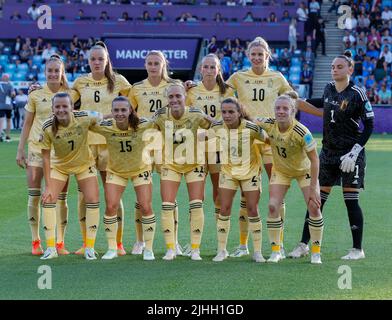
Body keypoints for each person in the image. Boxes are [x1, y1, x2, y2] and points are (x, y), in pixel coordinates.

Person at [288, 51, 374, 260]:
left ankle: (357, 249)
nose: (335, 70)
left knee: (350, 200)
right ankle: (303, 245)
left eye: (339, 67)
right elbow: (322, 102)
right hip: (328, 154)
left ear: (350, 70)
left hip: (350, 156)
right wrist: (297, 100)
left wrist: (355, 152)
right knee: (316, 201)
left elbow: (369, 125)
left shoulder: (357, 93)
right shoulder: (328, 88)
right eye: (333, 67)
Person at [225, 37, 293, 258]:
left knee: (277, 192)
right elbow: (218, 92)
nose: (256, 58)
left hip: (270, 141)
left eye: (260, 54)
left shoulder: (277, 77)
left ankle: (278, 244)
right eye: (252, 54)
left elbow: (292, 97)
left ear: (267, 56)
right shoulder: (238, 77)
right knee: (247, 195)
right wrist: (192, 85)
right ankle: (243, 245)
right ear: (248, 56)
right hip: (246, 141)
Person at [72, 41, 132, 256]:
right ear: (88, 61)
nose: (97, 62)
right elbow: (61, 101)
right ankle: (87, 243)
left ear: (107, 61)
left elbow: (134, 104)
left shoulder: (119, 82)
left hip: (110, 144)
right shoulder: (80, 82)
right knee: (83, 196)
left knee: (112, 195)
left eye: (101, 59)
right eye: (93, 59)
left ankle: (118, 243)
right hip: (86, 145)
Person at [16, 55, 76, 256]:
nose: (52, 74)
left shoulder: (70, 94)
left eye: (56, 71)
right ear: (44, 73)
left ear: (61, 73)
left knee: (60, 198)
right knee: (34, 195)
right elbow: (27, 123)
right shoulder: (35, 95)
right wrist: (20, 149)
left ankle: (60, 242)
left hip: (60, 153)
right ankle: (36, 241)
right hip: (36, 150)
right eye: (49, 71)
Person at [254, 93, 324, 264]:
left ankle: (316, 252)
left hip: (303, 171)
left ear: (292, 111)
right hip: (282, 171)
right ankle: (276, 251)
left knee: (314, 207)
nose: (281, 111)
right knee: (272, 206)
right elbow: (250, 119)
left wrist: (314, 187)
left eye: (285, 108)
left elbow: (315, 159)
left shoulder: (302, 132)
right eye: (278, 108)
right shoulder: (269, 125)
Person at [128, 50, 182, 256]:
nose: (153, 66)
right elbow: (127, 113)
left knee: (170, 196)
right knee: (141, 195)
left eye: (156, 63)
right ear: (145, 65)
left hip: (168, 144)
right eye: (149, 63)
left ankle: (174, 241)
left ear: (163, 64)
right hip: (144, 145)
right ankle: (140, 240)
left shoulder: (174, 86)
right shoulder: (137, 88)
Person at [151, 83, 212, 261]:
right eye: (171, 97)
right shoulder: (160, 115)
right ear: (167, 99)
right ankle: (171, 248)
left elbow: (214, 126)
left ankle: (195, 249)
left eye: (178, 96)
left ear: (185, 96)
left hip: (195, 163)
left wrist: (205, 136)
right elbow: (146, 128)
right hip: (171, 164)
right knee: (167, 204)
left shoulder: (196, 113)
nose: (175, 99)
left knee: (196, 204)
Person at [90, 96, 156, 260]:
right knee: (111, 206)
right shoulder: (106, 126)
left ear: (130, 111)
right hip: (116, 171)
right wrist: (104, 116)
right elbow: (88, 122)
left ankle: (148, 248)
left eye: (123, 110)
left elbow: (160, 121)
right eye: (116, 110)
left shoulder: (142, 124)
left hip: (140, 169)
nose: (120, 113)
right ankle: (112, 248)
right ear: (111, 111)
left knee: (145, 206)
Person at [40, 92, 102, 260]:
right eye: (57, 107)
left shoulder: (84, 117)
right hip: (60, 167)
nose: (61, 110)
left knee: (93, 200)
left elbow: (102, 116)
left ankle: (89, 247)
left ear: (72, 107)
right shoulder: (47, 127)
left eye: (64, 106)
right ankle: (51, 248)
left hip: (84, 165)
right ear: (52, 109)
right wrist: (47, 186)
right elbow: (45, 156)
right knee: (47, 199)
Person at [210, 97, 266, 263]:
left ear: (239, 113)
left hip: (250, 173)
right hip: (229, 172)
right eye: (224, 112)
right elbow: (204, 137)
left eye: (231, 112)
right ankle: (222, 250)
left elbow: (268, 140)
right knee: (224, 208)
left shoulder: (251, 128)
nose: (227, 115)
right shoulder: (217, 126)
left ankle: (257, 252)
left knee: (252, 209)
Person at [0, 74, 15, 142]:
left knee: (4, 120)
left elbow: (13, 94)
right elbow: (13, 94)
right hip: (6, 106)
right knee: (5, 120)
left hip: (5, 106)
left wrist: (12, 94)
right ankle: (5, 136)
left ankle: (5, 135)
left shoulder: (10, 85)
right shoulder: (10, 85)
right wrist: (12, 94)